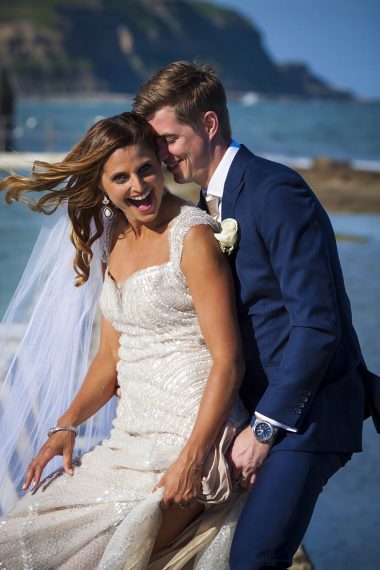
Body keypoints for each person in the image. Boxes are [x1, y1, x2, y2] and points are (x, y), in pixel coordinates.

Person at [132, 61, 380, 569]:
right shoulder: (206, 203)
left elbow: (318, 325)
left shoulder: (274, 191)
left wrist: (264, 429)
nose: (160, 155)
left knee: (253, 559)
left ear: (207, 125)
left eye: (168, 140)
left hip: (305, 416)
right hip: (254, 412)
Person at [0, 112, 249, 568]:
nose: (138, 185)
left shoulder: (192, 237)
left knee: (93, 559)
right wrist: (66, 424)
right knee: (19, 539)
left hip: (190, 437)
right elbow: (111, 354)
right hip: (128, 438)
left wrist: (192, 459)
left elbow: (229, 362)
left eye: (145, 169)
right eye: (120, 177)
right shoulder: (112, 239)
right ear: (102, 186)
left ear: (160, 163)